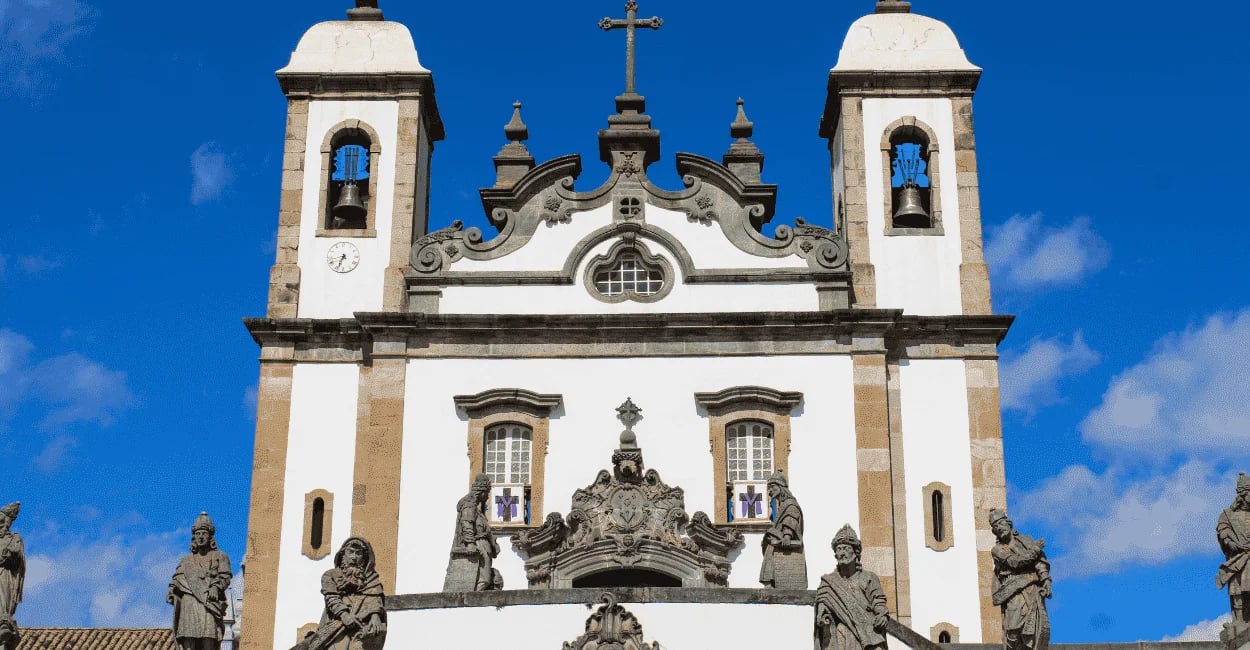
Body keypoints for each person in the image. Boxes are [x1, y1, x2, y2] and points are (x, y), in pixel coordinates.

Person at [296, 537, 387, 650]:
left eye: (358, 553)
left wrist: (375, 616)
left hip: (361, 628)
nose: (354, 557)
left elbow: (374, 598)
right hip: (336, 626)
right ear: (343, 554)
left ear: (363, 558)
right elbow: (332, 598)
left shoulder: (371, 579)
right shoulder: (330, 575)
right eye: (351, 552)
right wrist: (345, 615)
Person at [815, 524, 888, 650]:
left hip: (870, 632)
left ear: (855, 551)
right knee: (842, 630)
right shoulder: (828, 582)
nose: (841, 553)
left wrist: (882, 614)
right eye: (838, 549)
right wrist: (822, 614)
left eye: (845, 548)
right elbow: (823, 602)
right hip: (841, 634)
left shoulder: (869, 577)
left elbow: (878, 600)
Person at [168, 512, 233, 650]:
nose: (201, 537)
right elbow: (176, 579)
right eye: (198, 534)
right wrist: (171, 590)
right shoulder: (186, 561)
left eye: (204, 533)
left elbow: (225, 576)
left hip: (209, 603)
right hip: (189, 603)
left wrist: (216, 587)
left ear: (210, 536)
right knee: (188, 639)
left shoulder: (220, 556)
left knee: (208, 639)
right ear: (194, 537)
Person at [990, 509, 1051, 650]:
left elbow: (1039, 562)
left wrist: (1046, 579)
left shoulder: (1025, 540)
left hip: (1032, 590)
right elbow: (1015, 563)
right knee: (1013, 629)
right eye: (995, 527)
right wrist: (1035, 550)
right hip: (1013, 592)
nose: (998, 528)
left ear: (1008, 524)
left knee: (1035, 629)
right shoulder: (997, 550)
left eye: (1000, 524)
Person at [453, 474, 499, 591]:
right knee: (484, 580)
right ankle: (475, 602)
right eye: (487, 493)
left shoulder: (476, 509)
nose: (487, 497)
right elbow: (467, 523)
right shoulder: (469, 505)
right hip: (479, 546)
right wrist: (470, 543)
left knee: (484, 579)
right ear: (482, 492)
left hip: (482, 545)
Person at [760, 471, 805, 588]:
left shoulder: (790, 504)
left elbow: (791, 516)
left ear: (780, 487)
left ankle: (770, 582)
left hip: (782, 542)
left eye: (772, 487)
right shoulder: (783, 504)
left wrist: (787, 535)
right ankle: (770, 582)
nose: (770, 490)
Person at [1218, 473, 1250, 626]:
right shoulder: (1228, 515)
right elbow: (1222, 530)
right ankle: (1238, 621)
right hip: (1237, 558)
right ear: (1244, 494)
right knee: (1237, 589)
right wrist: (1230, 542)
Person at [0, 503, 24, 650]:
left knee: (3, 598)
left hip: (4, 573)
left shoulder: (14, 538)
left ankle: (3, 619)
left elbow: (17, 555)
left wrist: (10, 553)